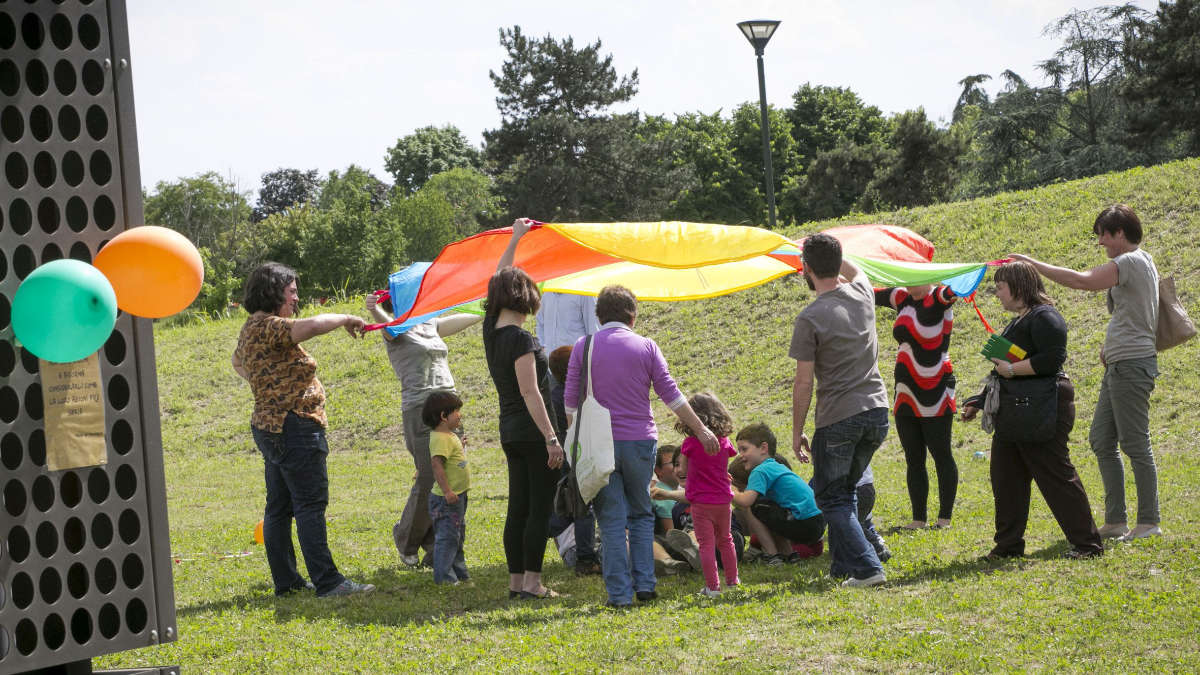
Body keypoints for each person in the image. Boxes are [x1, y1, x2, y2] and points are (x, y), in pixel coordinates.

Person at [1010, 204, 1161, 541]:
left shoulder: (1131, 261)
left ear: (1119, 234)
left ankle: (1149, 521)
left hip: (1132, 363)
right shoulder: (1140, 262)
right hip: (1121, 362)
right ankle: (1117, 520)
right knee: (1101, 439)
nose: (1101, 243)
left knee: (1135, 443)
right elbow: (1132, 312)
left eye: (1103, 236)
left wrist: (1030, 262)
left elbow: (1081, 281)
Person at [564, 284, 719, 608]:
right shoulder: (647, 347)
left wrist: (577, 448)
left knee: (610, 520)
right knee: (640, 513)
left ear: (598, 315)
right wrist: (701, 428)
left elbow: (570, 405)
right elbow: (672, 395)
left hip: (600, 444)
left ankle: (619, 594)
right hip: (639, 441)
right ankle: (646, 585)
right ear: (633, 315)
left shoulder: (584, 345)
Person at [231, 262, 375, 598]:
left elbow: (238, 362)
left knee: (279, 508)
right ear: (274, 292)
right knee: (310, 505)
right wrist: (345, 318)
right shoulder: (270, 326)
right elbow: (310, 327)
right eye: (291, 291)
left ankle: (288, 582)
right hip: (294, 427)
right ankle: (329, 582)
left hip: (270, 427)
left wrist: (266, 382)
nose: (296, 298)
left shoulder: (251, 328)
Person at [960, 262, 1103, 560]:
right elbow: (1001, 372)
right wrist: (980, 401)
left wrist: (1012, 368)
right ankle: (1008, 546)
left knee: (1055, 475)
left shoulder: (1045, 316)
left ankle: (1088, 544)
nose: (997, 293)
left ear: (1019, 286)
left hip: (1041, 407)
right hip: (1015, 410)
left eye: (1000, 287)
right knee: (1006, 478)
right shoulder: (1018, 321)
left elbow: (1052, 359)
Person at [790, 232, 890, 587]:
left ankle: (867, 567)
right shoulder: (863, 293)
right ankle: (843, 567)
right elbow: (857, 268)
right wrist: (830, 250)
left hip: (838, 417)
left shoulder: (810, 318)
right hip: (877, 412)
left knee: (832, 497)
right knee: (845, 492)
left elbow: (804, 383)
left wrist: (796, 428)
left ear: (805, 268)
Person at [482, 219, 565, 600]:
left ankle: (516, 583)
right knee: (538, 510)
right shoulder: (520, 338)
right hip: (532, 433)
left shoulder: (491, 330)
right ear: (524, 297)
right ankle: (533, 582)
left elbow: (499, 275)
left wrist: (516, 237)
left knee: (517, 508)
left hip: (509, 432)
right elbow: (532, 392)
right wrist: (551, 437)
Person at [366, 295, 481, 567]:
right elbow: (391, 327)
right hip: (420, 409)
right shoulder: (394, 327)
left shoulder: (430, 323)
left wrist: (488, 305)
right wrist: (375, 308)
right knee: (430, 477)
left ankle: (437, 549)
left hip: (449, 408)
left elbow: (470, 317)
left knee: (453, 478)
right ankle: (406, 538)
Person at [875, 284, 959, 530]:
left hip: (936, 387)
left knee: (940, 453)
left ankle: (944, 518)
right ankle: (918, 519)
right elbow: (864, 289)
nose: (908, 281)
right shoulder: (902, 297)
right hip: (905, 389)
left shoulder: (939, 296)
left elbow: (959, 287)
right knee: (913, 457)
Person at [674, 393, 740, 597]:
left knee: (706, 544)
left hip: (701, 502)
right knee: (726, 539)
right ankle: (733, 580)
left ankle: (712, 587)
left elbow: (683, 470)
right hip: (723, 500)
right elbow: (725, 463)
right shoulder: (725, 442)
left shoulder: (690, 444)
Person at [732, 423, 825, 564]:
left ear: (763, 448)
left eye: (744, 449)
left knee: (753, 507)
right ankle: (789, 555)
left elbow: (746, 501)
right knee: (769, 509)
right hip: (817, 522)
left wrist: (730, 489)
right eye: (739, 450)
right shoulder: (776, 466)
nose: (741, 455)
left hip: (803, 523)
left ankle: (773, 555)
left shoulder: (760, 471)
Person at [547, 344, 600, 576]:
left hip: (563, 459)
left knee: (573, 506)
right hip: (575, 458)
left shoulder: (553, 394)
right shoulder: (572, 396)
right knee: (583, 507)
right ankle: (585, 558)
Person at [423, 391, 471, 585]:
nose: (460, 415)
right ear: (444, 416)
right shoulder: (440, 438)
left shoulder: (448, 435)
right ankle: (444, 578)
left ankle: (460, 573)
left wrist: (460, 445)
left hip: (458, 497)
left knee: (457, 536)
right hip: (447, 500)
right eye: (456, 411)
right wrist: (447, 491)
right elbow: (437, 465)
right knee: (448, 537)